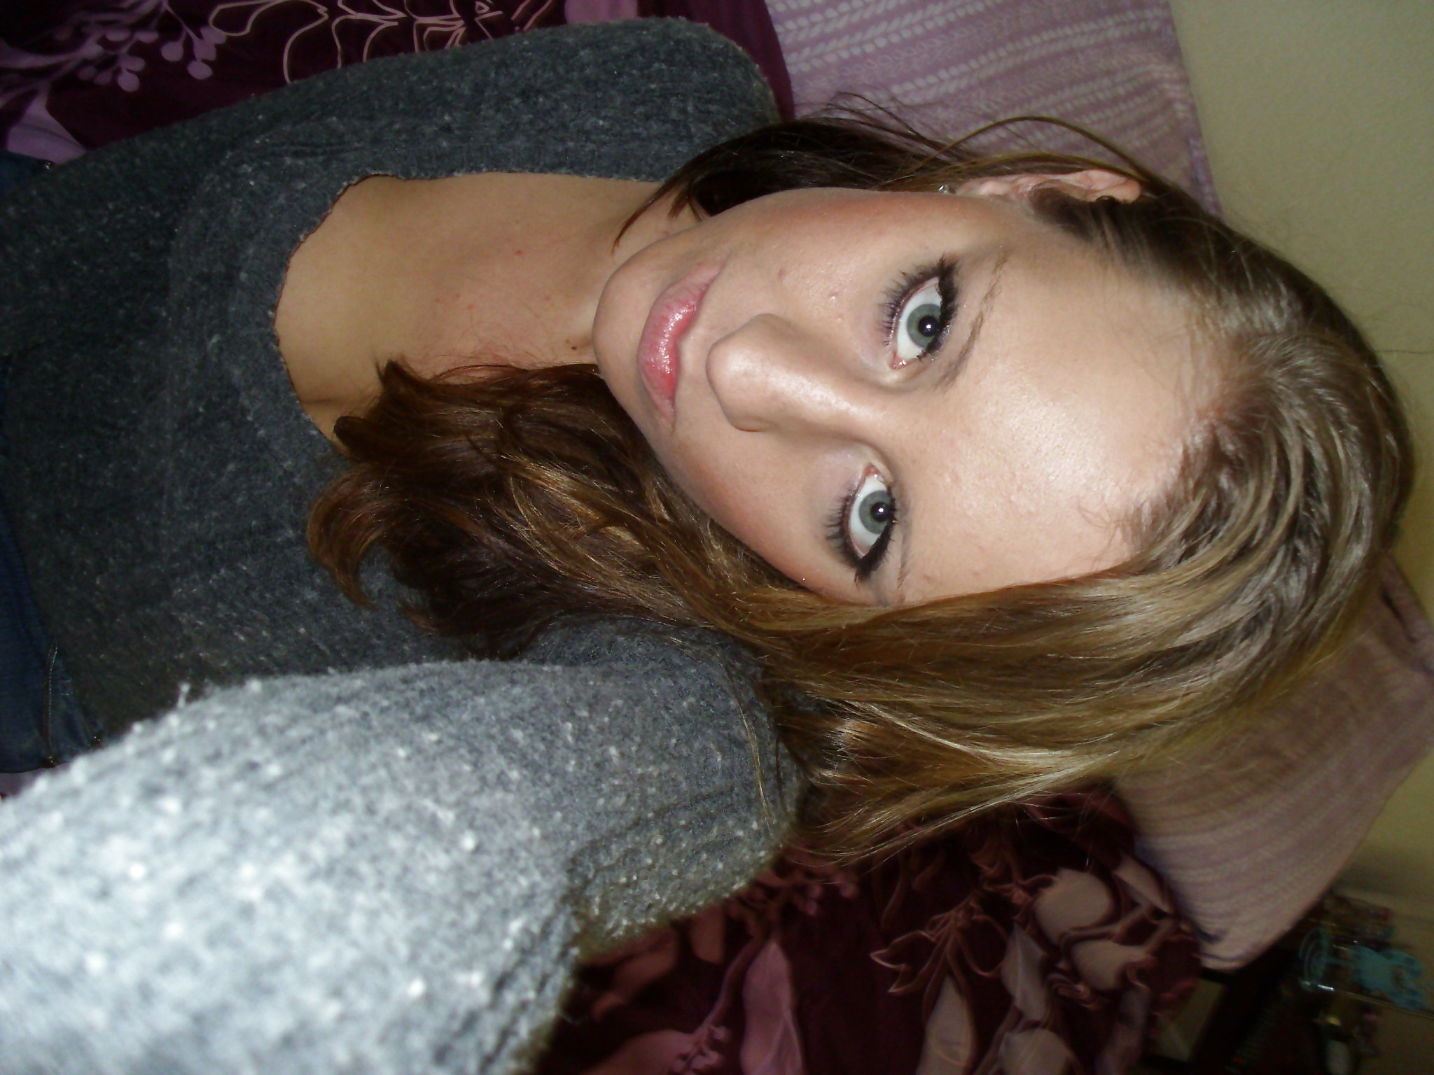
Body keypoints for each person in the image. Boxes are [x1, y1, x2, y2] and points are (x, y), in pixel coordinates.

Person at [0, 17, 1409, 1071]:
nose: (750, 372)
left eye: (870, 516)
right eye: (923, 320)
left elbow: (489, 835)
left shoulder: (679, 732)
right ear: (1029, 189)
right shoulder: (656, 88)